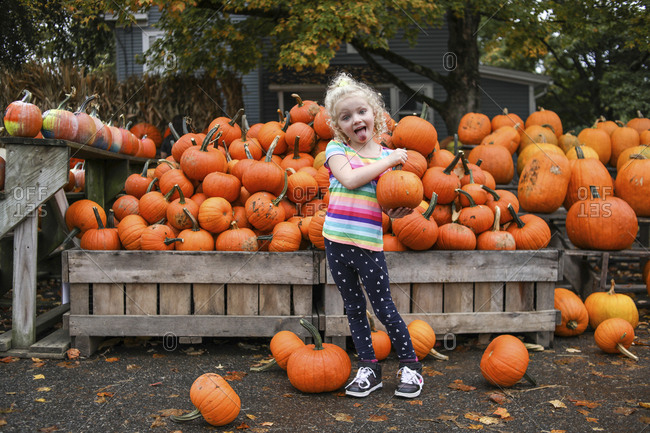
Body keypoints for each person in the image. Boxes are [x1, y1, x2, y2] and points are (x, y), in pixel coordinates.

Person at [322, 72, 423, 399]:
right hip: (335, 243)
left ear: (375, 115)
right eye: (346, 117)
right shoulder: (336, 149)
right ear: (339, 126)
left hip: (368, 246)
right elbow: (350, 180)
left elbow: (390, 199)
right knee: (353, 307)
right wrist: (390, 159)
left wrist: (396, 212)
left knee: (383, 308)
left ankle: (410, 364)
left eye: (361, 112)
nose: (355, 120)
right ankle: (369, 367)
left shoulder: (384, 159)